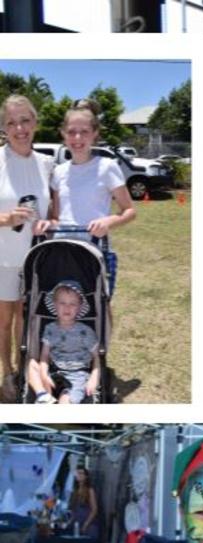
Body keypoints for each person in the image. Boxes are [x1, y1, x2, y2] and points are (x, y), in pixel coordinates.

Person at [48, 99, 135, 297]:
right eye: (71, 132)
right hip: (63, 251)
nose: (77, 137)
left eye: (84, 132)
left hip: (96, 250)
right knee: (65, 309)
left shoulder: (107, 166)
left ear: (95, 134)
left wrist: (108, 221)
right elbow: (56, 216)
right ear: (63, 134)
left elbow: (129, 211)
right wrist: (48, 224)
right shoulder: (58, 172)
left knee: (99, 309)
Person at [0, 94, 54, 401]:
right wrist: (7, 218)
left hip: (36, 259)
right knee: (4, 321)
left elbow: (55, 212)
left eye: (25, 120)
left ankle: (24, 370)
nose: (19, 128)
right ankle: (6, 372)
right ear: (4, 128)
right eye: (11, 122)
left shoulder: (46, 164)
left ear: (35, 123)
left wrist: (51, 223)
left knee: (27, 318)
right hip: (4, 258)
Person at [25, 280, 100, 403]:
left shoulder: (85, 331)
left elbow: (97, 357)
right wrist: (44, 375)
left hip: (77, 375)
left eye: (73, 304)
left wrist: (94, 378)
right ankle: (43, 395)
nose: (67, 307)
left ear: (80, 307)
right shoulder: (50, 329)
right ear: (54, 304)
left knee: (65, 401)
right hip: (54, 371)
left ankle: (55, 401)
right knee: (31, 364)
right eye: (62, 303)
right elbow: (44, 356)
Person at [68, 466, 99, 538]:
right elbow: (73, 509)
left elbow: (94, 510)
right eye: (77, 473)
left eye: (81, 473)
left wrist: (86, 524)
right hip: (77, 524)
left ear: (86, 476)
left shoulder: (89, 490)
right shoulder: (75, 491)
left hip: (89, 524)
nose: (78, 475)